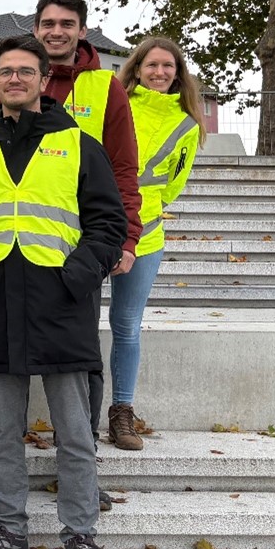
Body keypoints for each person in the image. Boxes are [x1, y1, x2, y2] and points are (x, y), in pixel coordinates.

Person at [0, 36, 126, 549]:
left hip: (62, 305)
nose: (14, 79)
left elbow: (107, 224)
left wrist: (78, 274)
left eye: (25, 71)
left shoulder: (78, 145)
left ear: (45, 81)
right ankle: (9, 531)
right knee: (2, 433)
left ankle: (82, 537)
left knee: (74, 434)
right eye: (5, 72)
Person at [0, 0, 141, 503]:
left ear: (82, 30)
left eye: (66, 23)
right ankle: (4, 472)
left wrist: (117, 244)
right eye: (47, 23)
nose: (56, 30)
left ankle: (81, 475)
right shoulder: (11, 87)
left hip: (70, 260)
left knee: (80, 370)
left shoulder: (105, 85)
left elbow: (122, 169)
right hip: (6, 266)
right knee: (8, 373)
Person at [108, 36, 204, 450]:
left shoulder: (187, 123)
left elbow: (173, 185)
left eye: (168, 67)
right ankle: (76, 411)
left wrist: (144, 209)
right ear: (137, 69)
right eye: (152, 65)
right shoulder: (117, 104)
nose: (160, 73)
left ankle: (122, 412)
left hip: (145, 233)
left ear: (178, 74)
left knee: (127, 326)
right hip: (93, 224)